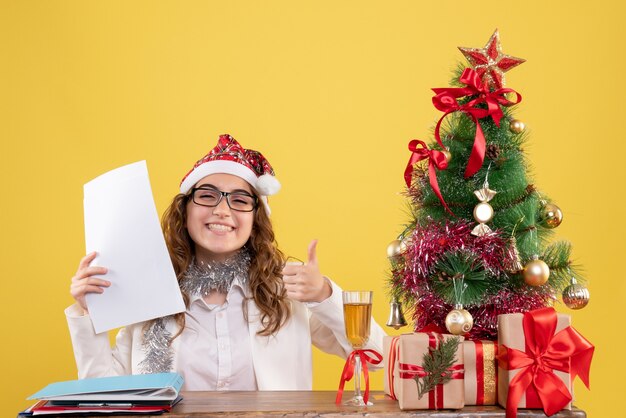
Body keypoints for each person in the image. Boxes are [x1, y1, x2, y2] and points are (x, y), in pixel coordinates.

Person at [66, 134, 386, 391]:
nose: (222, 210)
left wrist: (323, 295)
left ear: (255, 219)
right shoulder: (152, 292)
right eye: (207, 195)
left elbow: (377, 357)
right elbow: (103, 396)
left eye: (239, 199)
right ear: (185, 212)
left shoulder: (286, 293)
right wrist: (86, 312)